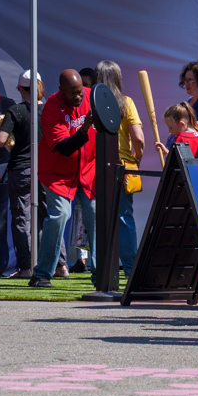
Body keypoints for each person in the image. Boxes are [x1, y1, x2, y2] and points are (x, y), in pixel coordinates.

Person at [30, 69, 99, 289]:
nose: (78, 97)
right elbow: (64, 148)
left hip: (87, 168)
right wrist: (85, 128)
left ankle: (100, 273)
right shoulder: (51, 107)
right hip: (57, 172)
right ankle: (42, 273)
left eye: (80, 92)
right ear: (61, 90)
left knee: (95, 214)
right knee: (60, 214)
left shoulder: (91, 96)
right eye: (73, 94)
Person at [93, 60, 145, 275]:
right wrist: (136, 158)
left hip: (93, 166)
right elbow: (139, 138)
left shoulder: (89, 101)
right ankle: (130, 267)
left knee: (94, 217)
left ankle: (100, 269)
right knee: (124, 217)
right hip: (122, 167)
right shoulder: (126, 102)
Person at [0, 69, 44, 278]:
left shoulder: (16, 111)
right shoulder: (51, 110)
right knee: (48, 217)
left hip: (21, 169)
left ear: (19, 88)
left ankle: (26, 267)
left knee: (21, 219)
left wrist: (6, 139)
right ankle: (61, 265)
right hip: (45, 170)